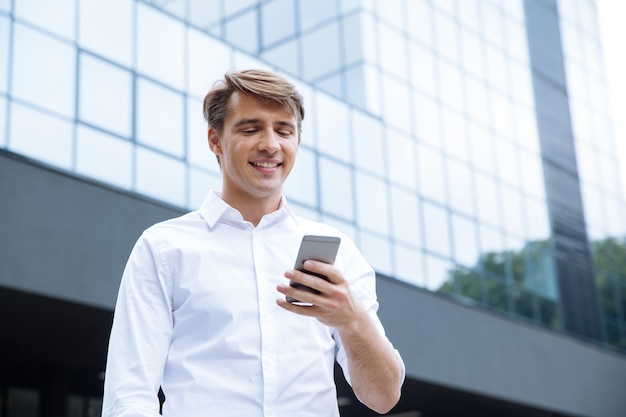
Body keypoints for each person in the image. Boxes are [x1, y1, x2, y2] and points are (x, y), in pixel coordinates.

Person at [101, 69, 404, 417]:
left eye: (284, 130)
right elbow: (129, 395)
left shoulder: (339, 252)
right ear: (215, 140)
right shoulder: (164, 248)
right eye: (251, 129)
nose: (271, 144)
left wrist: (352, 320)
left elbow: (384, 397)